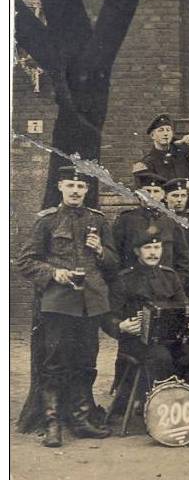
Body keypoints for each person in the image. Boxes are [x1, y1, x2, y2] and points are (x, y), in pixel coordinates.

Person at [17, 166, 118, 447]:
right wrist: (53, 273)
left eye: (81, 187)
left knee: (86, 362)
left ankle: (81, 419)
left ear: (87, 191)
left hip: (91, 303)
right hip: (59, 304)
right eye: (71, 185)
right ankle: (53, 423)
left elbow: (114, 263)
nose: (75, 191)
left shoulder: (98, 221)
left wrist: (100, 250)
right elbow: (26, 261)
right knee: (55, 363)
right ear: (60, 186)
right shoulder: (47, 221)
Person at [105, 228, 189, 392]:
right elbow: (109, 317)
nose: (153, 253)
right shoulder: (124, 279)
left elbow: (185, 308)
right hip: (136, 342)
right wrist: (121, 326)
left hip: (171, 340)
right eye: (148, 248)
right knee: (161, 356)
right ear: (137, 251)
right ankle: (157, 407)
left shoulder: (170, 276)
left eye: (157, 247)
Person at [112, 172, 189, 278]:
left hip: (165, 285)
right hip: (134, 284)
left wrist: (176, 284)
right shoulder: (126, 220)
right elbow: (115, 255)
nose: (151, 195)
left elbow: (183, 259)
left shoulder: (172, 221)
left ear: (163, 195)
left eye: (156, 191)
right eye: (147, 191)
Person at [132, 113, 189, 181]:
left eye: (168, 130)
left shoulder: (181, 155)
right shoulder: (147, 163)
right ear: (153, 136)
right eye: (161, 130)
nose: (165, 134)